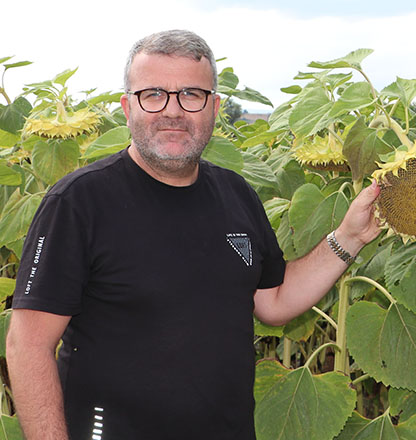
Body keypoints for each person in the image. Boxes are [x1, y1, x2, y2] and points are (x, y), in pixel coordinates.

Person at [5, 30, 381, 440]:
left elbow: (273, 301)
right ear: (127, 107)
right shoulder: (78, 203)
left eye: (191, 95)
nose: (173, 111)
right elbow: (28, 346)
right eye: (153, 94)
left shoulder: (236, 193)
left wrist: (350, 236)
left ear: (215, 108)